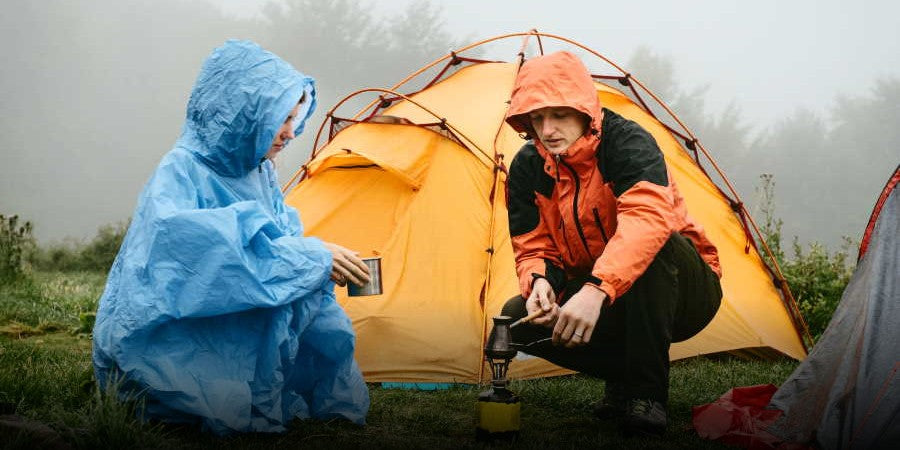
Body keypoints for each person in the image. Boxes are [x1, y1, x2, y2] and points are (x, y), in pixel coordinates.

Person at [92, 40, 371, 435]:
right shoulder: (183, 169)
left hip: (238, 312)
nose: (291, 133)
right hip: (174, 325)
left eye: (296, 118)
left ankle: (312, 399)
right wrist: (308, 257)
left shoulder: (258, 170)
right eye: (281, 119)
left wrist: (315, 261)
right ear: (245, 115)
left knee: (313, 293)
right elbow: (191, 256)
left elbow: (277, 241)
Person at [502, 51, 723, 436]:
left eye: (558, 114)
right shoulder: (527, 166)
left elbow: (648, 220)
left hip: (683, 291)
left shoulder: (627, 142)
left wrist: (596, 290)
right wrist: (541, 284)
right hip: (606, 293)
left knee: (657, 246)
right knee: (516, 319)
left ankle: (646, 395)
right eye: (536, 118)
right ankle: (625, 375)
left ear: (584, 110)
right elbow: (533, 245)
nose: (548, 129)